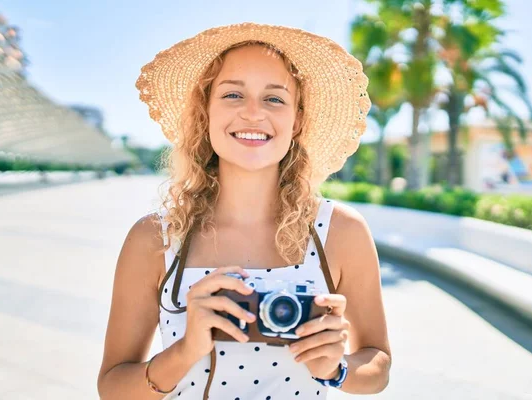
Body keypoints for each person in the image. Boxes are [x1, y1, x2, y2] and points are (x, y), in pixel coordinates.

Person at [97, 22, 391, 400]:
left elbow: (379, 367)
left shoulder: (340, 231)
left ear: (296, 120)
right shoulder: (155, 238)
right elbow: (112, 388)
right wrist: (185, 351)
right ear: (206, 112)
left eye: (274, 99)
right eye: (233, 95)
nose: (253, 114)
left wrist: (337, 368)